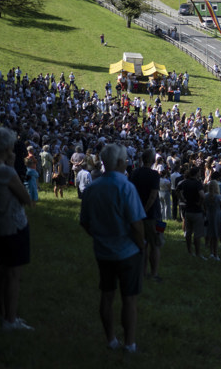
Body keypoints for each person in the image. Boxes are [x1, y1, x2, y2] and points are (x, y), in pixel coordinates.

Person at [79, 144, 146, 352]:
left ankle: (110, 339)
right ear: (119, 162)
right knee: (129, 299)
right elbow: (136, 224)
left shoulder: (93, 188)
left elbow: (85, 222)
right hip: (127, 251)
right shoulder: (126, 187)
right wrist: (141, 245)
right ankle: (130, 343)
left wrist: (99, 236)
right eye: (125, 160)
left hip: (103, 250)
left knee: (106, 295)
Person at [0, 127, 34, 331]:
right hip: (12, 225)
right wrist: (12, 167)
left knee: (2, 271)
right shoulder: (6, 171)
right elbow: (27, 199)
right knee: (13, 275)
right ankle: (10, 320)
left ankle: (3, 314)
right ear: (6, 147)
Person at [130, 149, 163, 281]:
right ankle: (154, 273)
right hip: (153, 215)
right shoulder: (154, 175)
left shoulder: (134, 173)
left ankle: (142, 272)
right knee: (155, 244)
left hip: (136, 213)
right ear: (152, 160)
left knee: (141, 244)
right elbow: (153, 195)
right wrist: (145, 209)